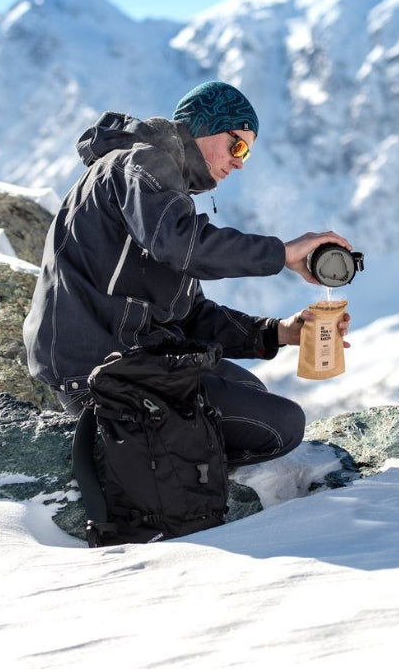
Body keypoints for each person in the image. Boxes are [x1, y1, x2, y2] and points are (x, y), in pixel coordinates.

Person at [23, 80, 352, 467]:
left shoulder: (162, 190)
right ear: (203, 127)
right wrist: (282, 253)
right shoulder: (141, 163)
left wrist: (279, 331)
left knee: (250, 391)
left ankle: (169, 457)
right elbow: (183, 246)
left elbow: (189, 316)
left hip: (133, 359)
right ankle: (162, 474)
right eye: (237, 145)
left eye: (247, 151)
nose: (240, 161)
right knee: (282, 425)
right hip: (99, 371)